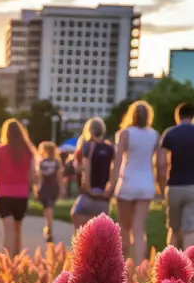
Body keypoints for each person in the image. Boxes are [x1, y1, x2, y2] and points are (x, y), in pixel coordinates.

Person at [109, 100, 158, 264]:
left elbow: (117, 162)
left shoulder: (125, 133)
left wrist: (112, 185)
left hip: (128, 183)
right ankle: (139, 268)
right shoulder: (154, 135)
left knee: (124, 227)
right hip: (146, 184)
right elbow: (156, 162)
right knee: (139, 229)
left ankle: (123, 267)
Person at [0, 118, 37, 257]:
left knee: (8, 230)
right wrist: (34, 188)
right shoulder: (28, 151)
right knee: (17, 229)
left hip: (3, 194)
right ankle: (18, 262)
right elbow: (33, 174)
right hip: (21, 195)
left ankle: (7, 264)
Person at [157, 102, 194, 249]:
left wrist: (162, 187)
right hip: (193, 187)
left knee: (173, 229)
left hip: (174, 186)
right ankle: (189, 266)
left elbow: (161, 165)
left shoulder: (169, 134)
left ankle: (169, 266)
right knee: (189, 230)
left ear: (177, 116)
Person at [71, 117, 114, 229]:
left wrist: (88, 188)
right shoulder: (110, 147)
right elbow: (113, 169)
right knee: (100, 228)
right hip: (104, 194)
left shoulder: (86, 145)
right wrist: (109, 190)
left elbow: (80, 168)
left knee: (76, 217)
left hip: (88, 193)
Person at [37, 141, 62, 243]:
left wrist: (37, 189)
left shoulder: (42, 163)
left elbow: (40, 178)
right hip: (53, 187)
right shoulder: (56, 162)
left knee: (47, 209)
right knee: (49, 208)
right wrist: (61, 188)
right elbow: (59, 177)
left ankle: (48, 229)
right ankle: (48, 228)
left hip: (44, 187)